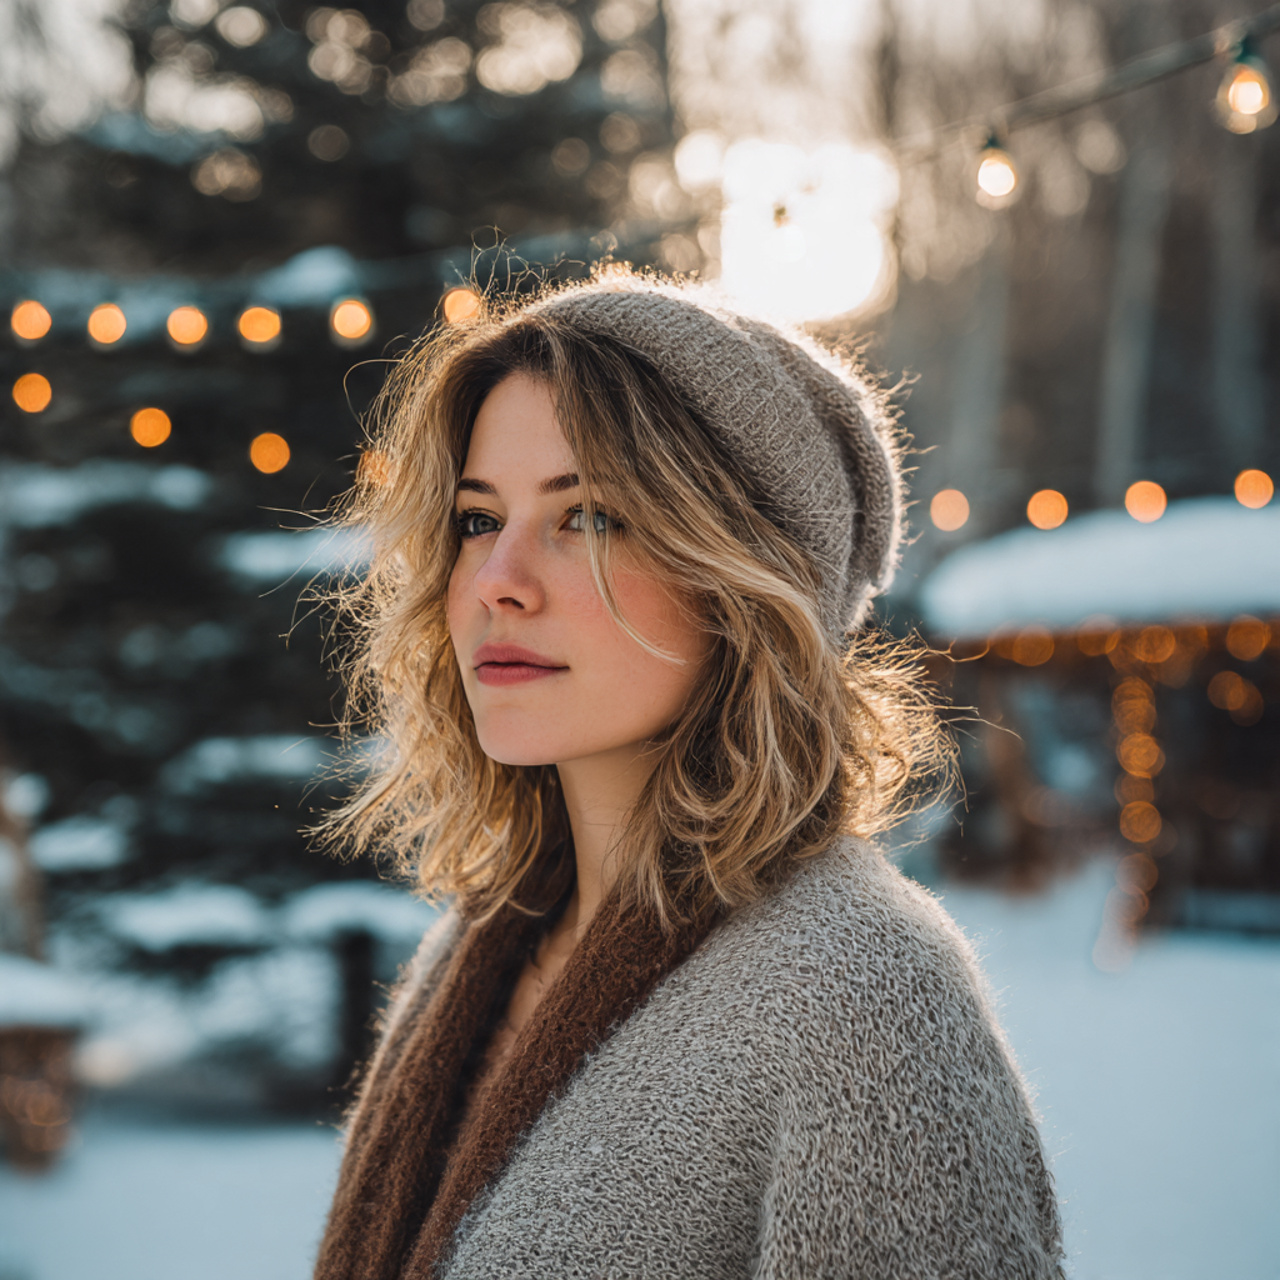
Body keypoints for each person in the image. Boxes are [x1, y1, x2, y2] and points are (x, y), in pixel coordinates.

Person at [312, 268, 1064, 1280]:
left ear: (741, 579)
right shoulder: (477, 943)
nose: (496, 582)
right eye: (478, 518)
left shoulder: (862, 998)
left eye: (589, 517)